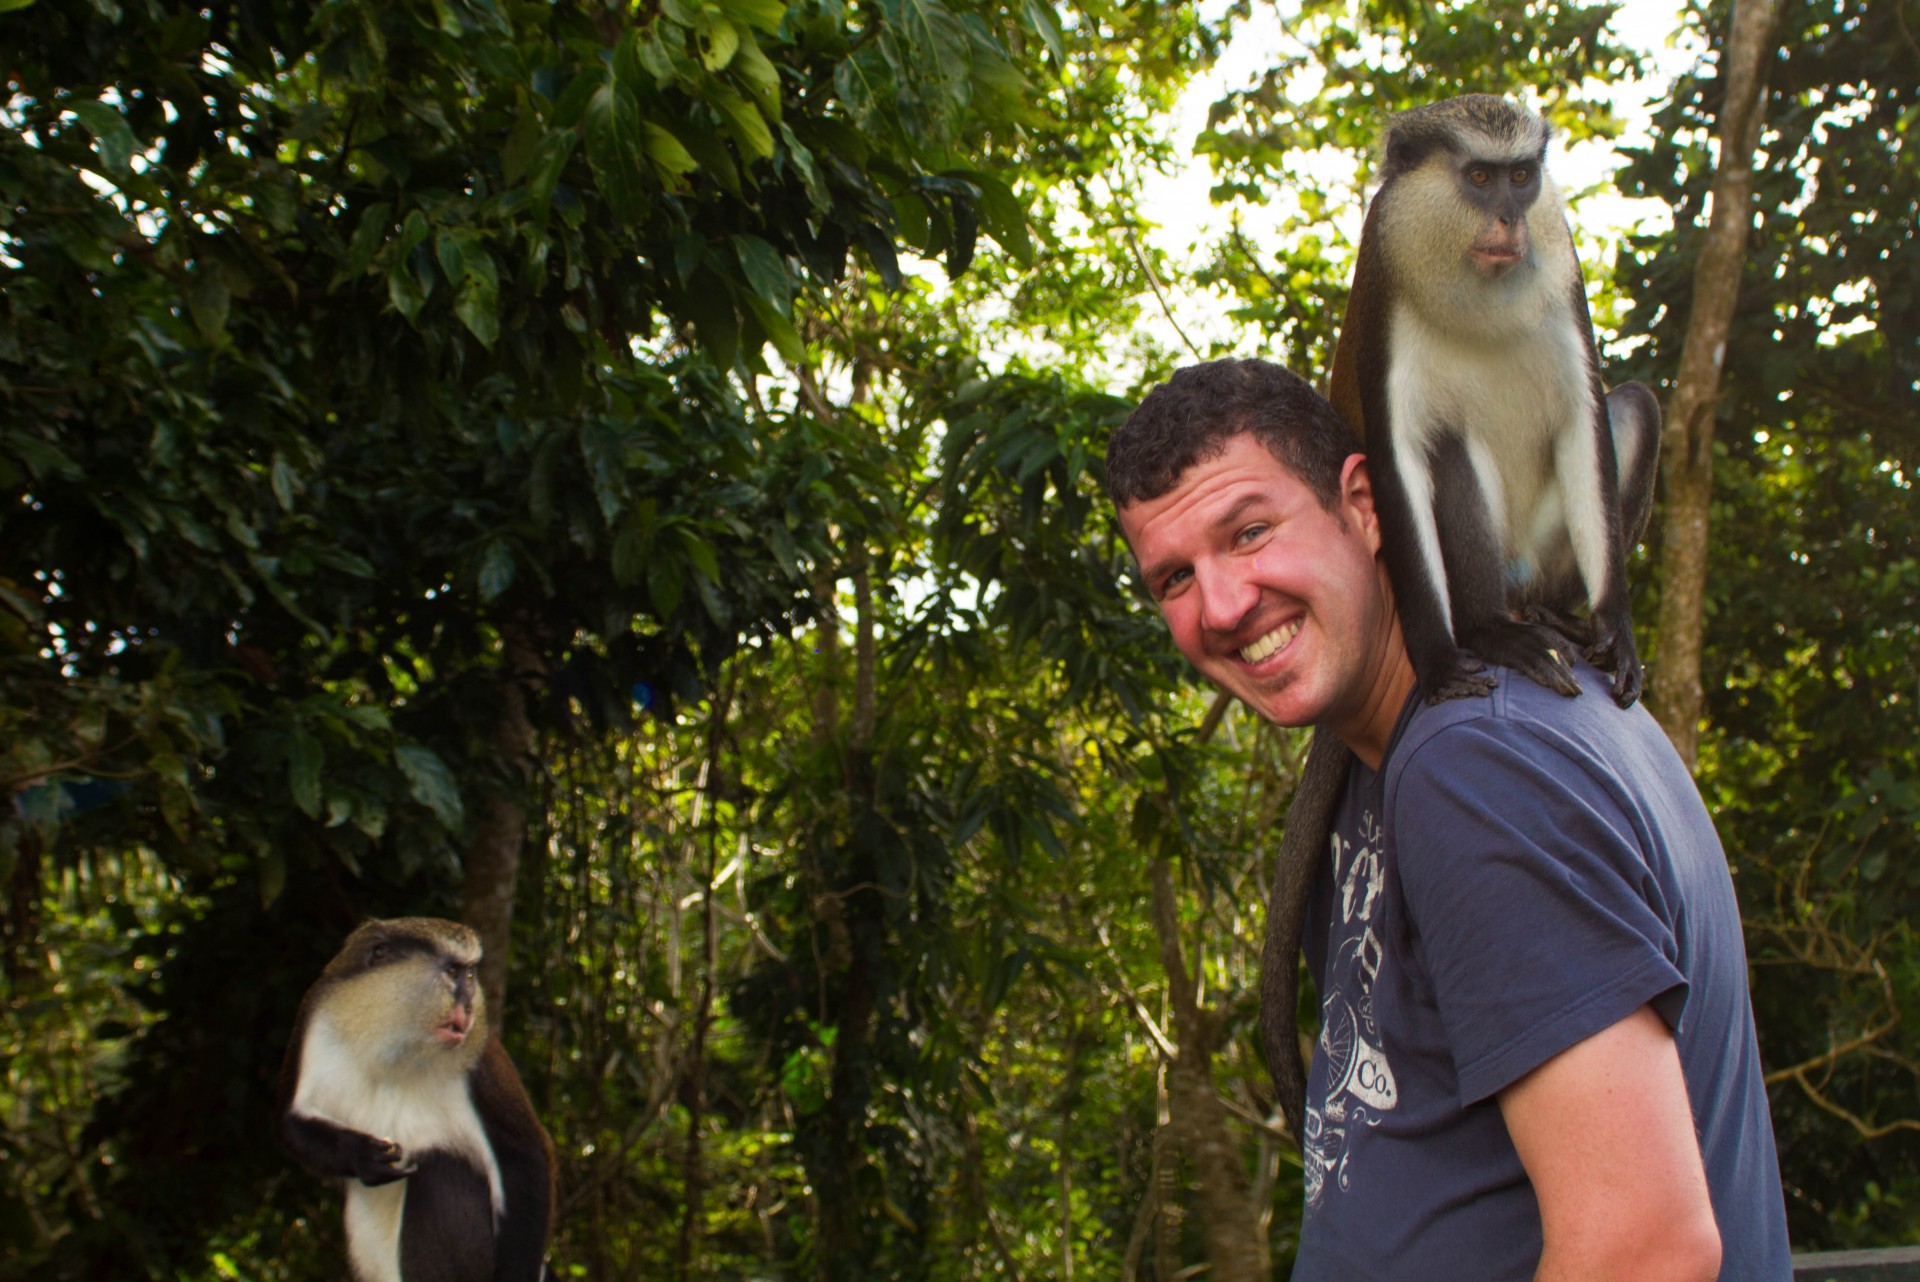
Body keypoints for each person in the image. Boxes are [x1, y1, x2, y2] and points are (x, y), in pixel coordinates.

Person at [1106, 357, 1791, 1280]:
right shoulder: (1407, 747)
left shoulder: (1478, 763)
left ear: (1365, 505)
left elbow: (1646, 1249)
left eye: (1252, 531)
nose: (1222, 605)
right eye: (1175, 579)